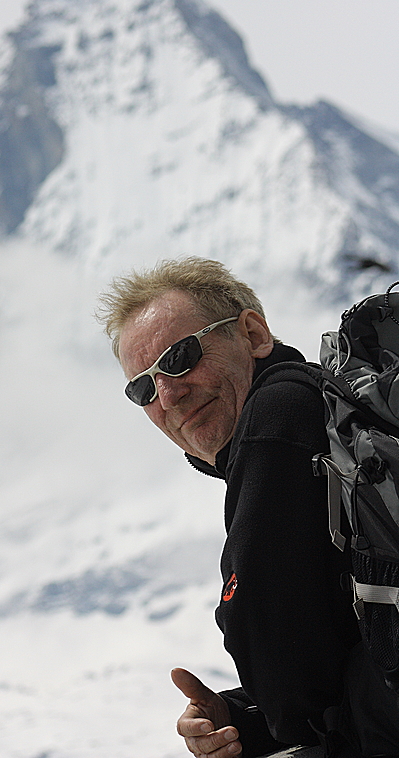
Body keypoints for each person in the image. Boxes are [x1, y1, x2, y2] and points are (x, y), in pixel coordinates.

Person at [97, 256, 395, 758]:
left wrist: (274, 721)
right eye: (142, 387)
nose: (167, 394)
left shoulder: (276, 411)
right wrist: (241, 719)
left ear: (254, 334)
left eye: (180, 356)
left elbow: (280, 664)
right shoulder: (326, 418)